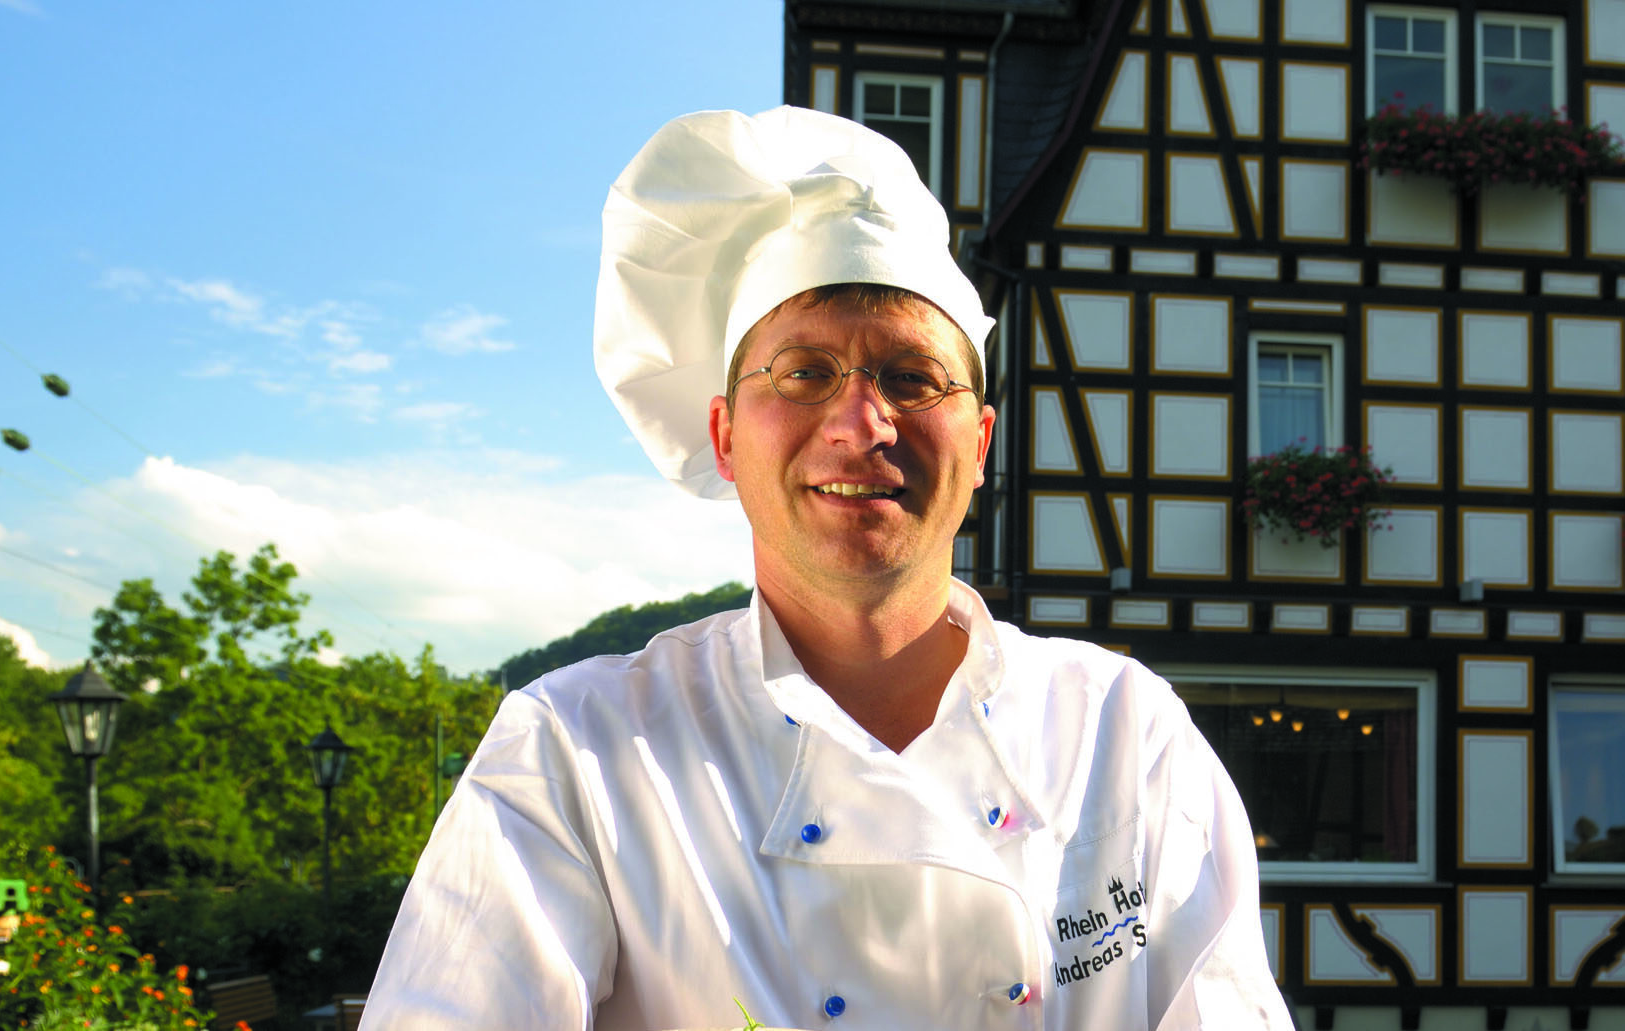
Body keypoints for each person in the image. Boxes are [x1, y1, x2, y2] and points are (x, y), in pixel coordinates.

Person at [363, 106, 1291, 1030]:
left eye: (912, 376)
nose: (861, 424)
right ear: (725, 436)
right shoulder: (577, 750)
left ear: (979, 440)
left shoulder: (1122, 731)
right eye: (804, 372)